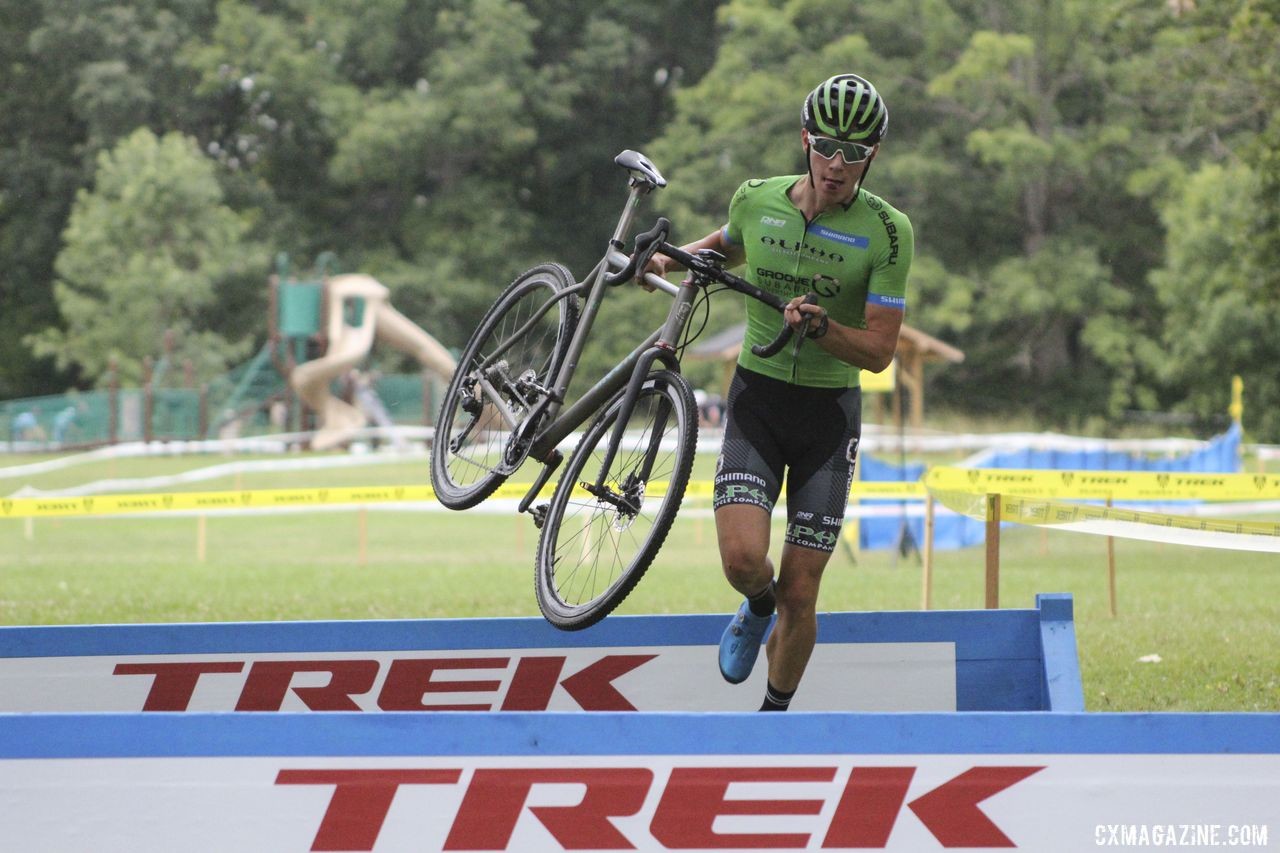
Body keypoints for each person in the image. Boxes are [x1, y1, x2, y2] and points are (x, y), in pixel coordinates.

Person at [642, 74, 913, 710]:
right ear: (805, 141)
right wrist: (667, 260)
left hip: (828, 417)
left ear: (873, 154)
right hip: (757, 402)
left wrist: (824, 328)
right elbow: (723, 250)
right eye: (826, 147)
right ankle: (753, 606)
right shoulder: (756, 198)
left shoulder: (888, 231)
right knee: (743, 562)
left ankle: (774, 718)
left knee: (802, 593)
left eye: (854, 152)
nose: (837, 165)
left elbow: (878, 351)